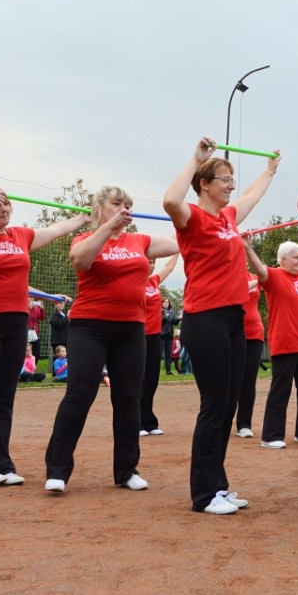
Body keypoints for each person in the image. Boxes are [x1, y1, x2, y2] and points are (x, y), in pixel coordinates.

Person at [163, 136, 279, 515]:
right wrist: (196, 158)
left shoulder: (227, 218)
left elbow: (252, 197)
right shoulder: (192, 218)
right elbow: (170, 201)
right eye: (224, 178)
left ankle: (218, 485)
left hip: (233, 318)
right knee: (214, 406)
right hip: (205, 318)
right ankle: (203, 494)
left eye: (232, 178)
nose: (231, 184)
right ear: (205, 185)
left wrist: (269, 171)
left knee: (226, 405)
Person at [0, 186, 89, 487]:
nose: (4, 209)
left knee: (4, 395)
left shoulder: (20, 236)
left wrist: (81, 219)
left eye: (7, 204)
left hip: (14, 321)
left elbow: (54, 229)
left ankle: (2, 463)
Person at [44, 186, 178, 495]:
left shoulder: (139, 241)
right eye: (117, 204)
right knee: (79, 395)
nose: (124, 208)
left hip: (131, 329)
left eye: (128, 205)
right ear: (100, 209)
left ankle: (127, 471)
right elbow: (80, 260)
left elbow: (175, 245)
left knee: (128, 399)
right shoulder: (85, 239)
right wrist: (108, 227)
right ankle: (58, 470)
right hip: (89, 327)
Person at [242, 239, 298, 448]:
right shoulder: (274, 276)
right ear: (283, 259)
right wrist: (248, 247)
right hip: (286, 343)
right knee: (281, 390)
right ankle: (271, 435)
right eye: (295, 257)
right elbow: (259, 269)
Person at [139, 255, 177, 436]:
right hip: (138, 336)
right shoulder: (132, 281)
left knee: (152, 380)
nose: (152, 265)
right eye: (149, 261)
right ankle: (136, 422)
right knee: (139, 381)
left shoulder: (154, 281)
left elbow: (169, 267)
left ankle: (149, 421)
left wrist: (178, 246)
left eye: (153, 262)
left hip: (155, 337)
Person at [232, 272, 266, 439]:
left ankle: (244, 424)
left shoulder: (254, 276)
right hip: (231, 334)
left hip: (254, 334)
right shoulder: (226, 275)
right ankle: (223, 420)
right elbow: (236, 290)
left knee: (248, 379)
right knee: (230, 379)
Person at [160, 300, 179, 375]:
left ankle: (168, 371)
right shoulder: (159, 311)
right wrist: (165, 315)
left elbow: (175, 322)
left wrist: (179, 318)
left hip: (170, 335)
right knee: (159, 354)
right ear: (162, 303)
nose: (166, 303)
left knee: (168, 354)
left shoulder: (171, 312)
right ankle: (155, 370)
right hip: (161, 335)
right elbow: (160, 321)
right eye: (164, 302)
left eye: (167, 302)